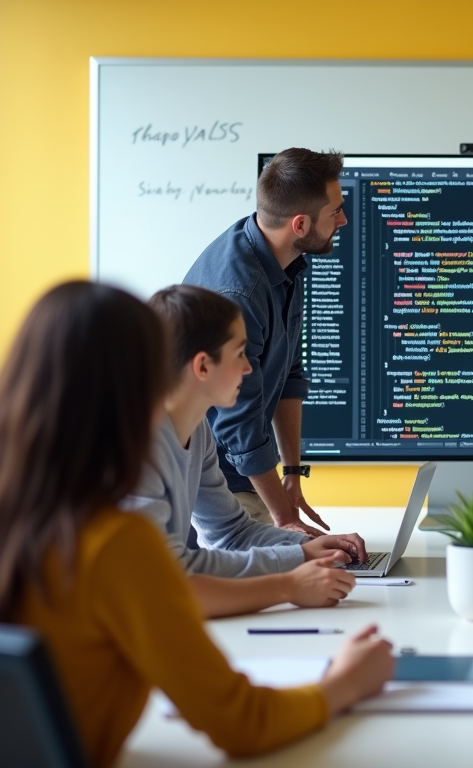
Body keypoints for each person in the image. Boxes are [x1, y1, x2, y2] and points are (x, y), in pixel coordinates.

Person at [0, 281, 394, 767]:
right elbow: (242, 722)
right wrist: (348, 681)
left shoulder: (27, 511)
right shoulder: (116, 543)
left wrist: (298, 552)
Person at [122, 284, 367, 618]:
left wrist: (304, 550)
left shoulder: (198, 430)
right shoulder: (137, 444)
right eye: (240, 354)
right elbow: (165, 583)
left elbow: (231, 533)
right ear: (203, 366)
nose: (250, 369)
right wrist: (289, 586)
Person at [184, 148, 346, 536]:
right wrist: (286, 520)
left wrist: (292, 474)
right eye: (335, 211)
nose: (343, 219)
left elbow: (288, 372)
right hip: (217, 484)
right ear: (301, 224)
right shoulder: (240, 292)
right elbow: (238, 425)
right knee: (294, 571)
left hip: (247, 471)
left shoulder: (283, 258)